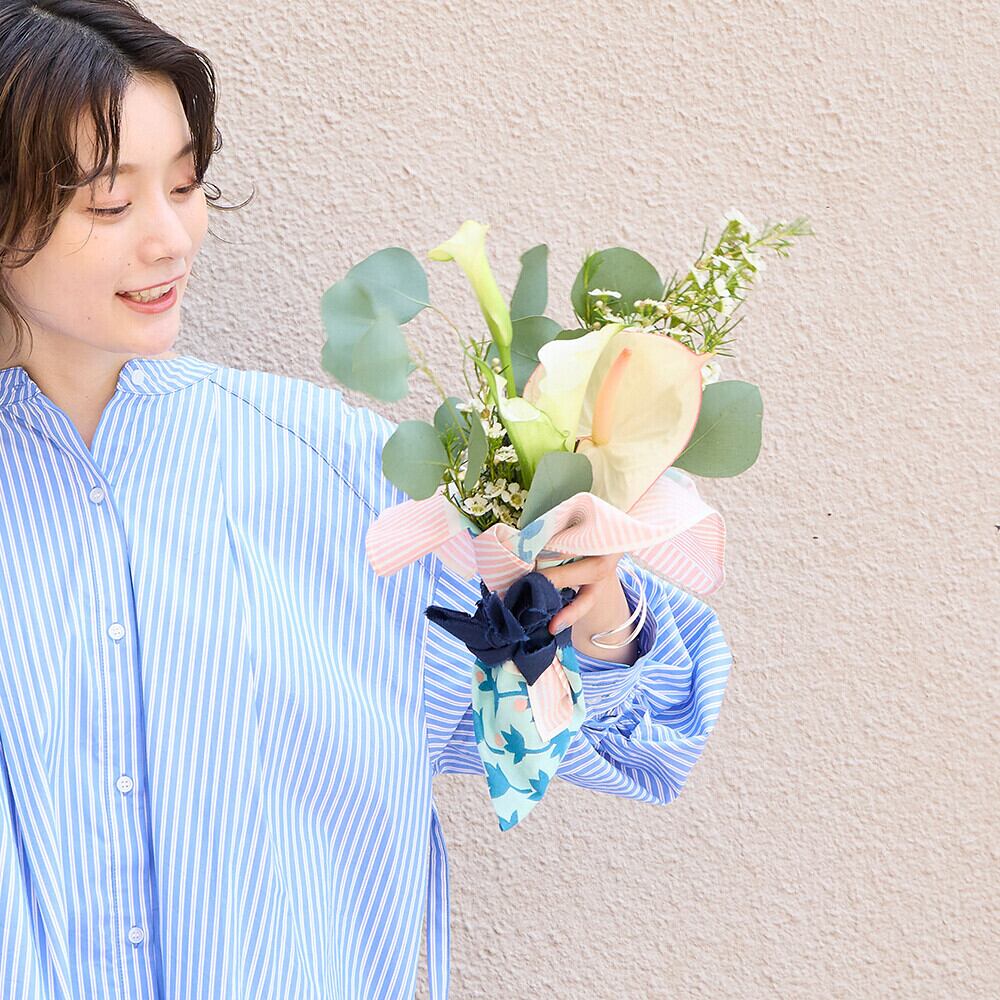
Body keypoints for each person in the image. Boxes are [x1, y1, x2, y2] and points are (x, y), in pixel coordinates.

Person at [0, 2, 733, 998]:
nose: (171, 240)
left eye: (185, 184)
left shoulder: (342, 475)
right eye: (109, 204)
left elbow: (619, 740)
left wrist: (587, 607)